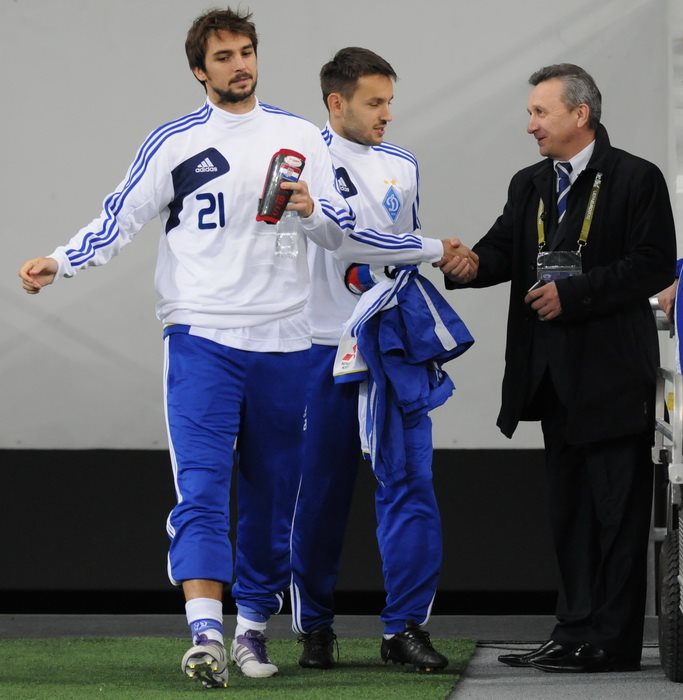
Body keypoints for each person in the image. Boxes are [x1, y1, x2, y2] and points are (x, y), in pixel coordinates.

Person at [18, 10, 464, 689]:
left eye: (247, 52)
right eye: (224, 56)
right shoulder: (174, 141)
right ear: (200, 70)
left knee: (273, 496)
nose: (239, 65)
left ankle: (251, 626)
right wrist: (61, 260)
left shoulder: (298, 136)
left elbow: (340, 235)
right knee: (200, 486)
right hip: (200, 335)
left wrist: (314, 210)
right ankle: (204, 633)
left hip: (284, 340)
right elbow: (120, 215)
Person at [440, 63, 676, 673]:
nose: (531, 125)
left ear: (580, 114)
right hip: (550, 378)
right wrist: (469, 265)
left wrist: (576, 294)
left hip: (613, 376)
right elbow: (503, 249)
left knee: (617, 515)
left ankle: (612, 642)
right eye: (531, 113)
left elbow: (654, 264)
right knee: (569, 514)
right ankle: (572, 631)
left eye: (540, 113)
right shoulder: (530, 183)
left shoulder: (636, 178)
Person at [290, 47, 476, 672]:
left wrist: (430, 255)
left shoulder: (403, 165)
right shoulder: (306, 160)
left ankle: (405, 628)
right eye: (374, 102)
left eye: (390, 101)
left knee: (411, 484)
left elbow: (399, 258)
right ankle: (314, 627)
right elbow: (345, 240)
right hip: (321, 349)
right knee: (319, 496)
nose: (387, 114)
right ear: (336, 102)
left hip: (391, 350)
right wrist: (434, 247)